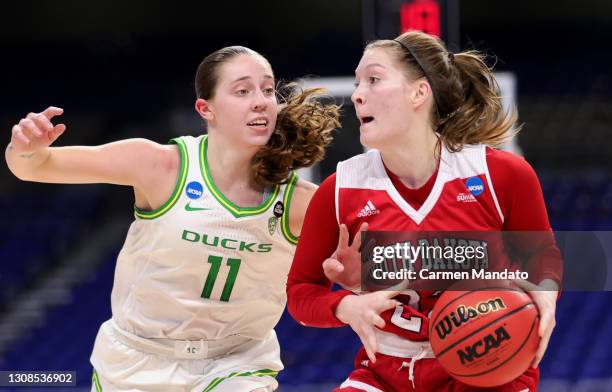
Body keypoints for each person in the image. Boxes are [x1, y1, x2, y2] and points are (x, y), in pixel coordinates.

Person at [6, 45, 340, 392]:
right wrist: (26, 147)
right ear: (205, 108)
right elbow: (32, 167)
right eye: (242, 91)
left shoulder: (301, 201)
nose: (260, 101)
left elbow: (371, 264)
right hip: (135, 360)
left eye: (268, 90)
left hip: (236, 363)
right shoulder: (159, 165)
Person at [286, 30, 561, 392]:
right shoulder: (339, 190)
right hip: (387, 370)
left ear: (419, 92)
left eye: (373, 79)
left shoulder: (499, 175)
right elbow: (301, 292)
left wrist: (544, 291)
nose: (356, 94)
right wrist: (345, 306)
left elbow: (541, 252)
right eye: (356, 83)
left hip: (488, 365)